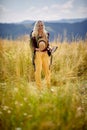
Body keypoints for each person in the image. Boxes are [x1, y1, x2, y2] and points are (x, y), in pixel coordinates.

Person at [30, 20, 52, 90]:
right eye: (39, 25)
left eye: (42, 25)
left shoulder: (46, 34)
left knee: (47, 71)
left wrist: (49, 47)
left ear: (43, 26)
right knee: (38, 71)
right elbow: (31, 46)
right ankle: (39, 89)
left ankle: (49, 87)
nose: (40, 27)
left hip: (45, 54)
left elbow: (47, 44)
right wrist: (36, 49)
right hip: (38, 54)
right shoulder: (33, 35)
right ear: (36, 26)